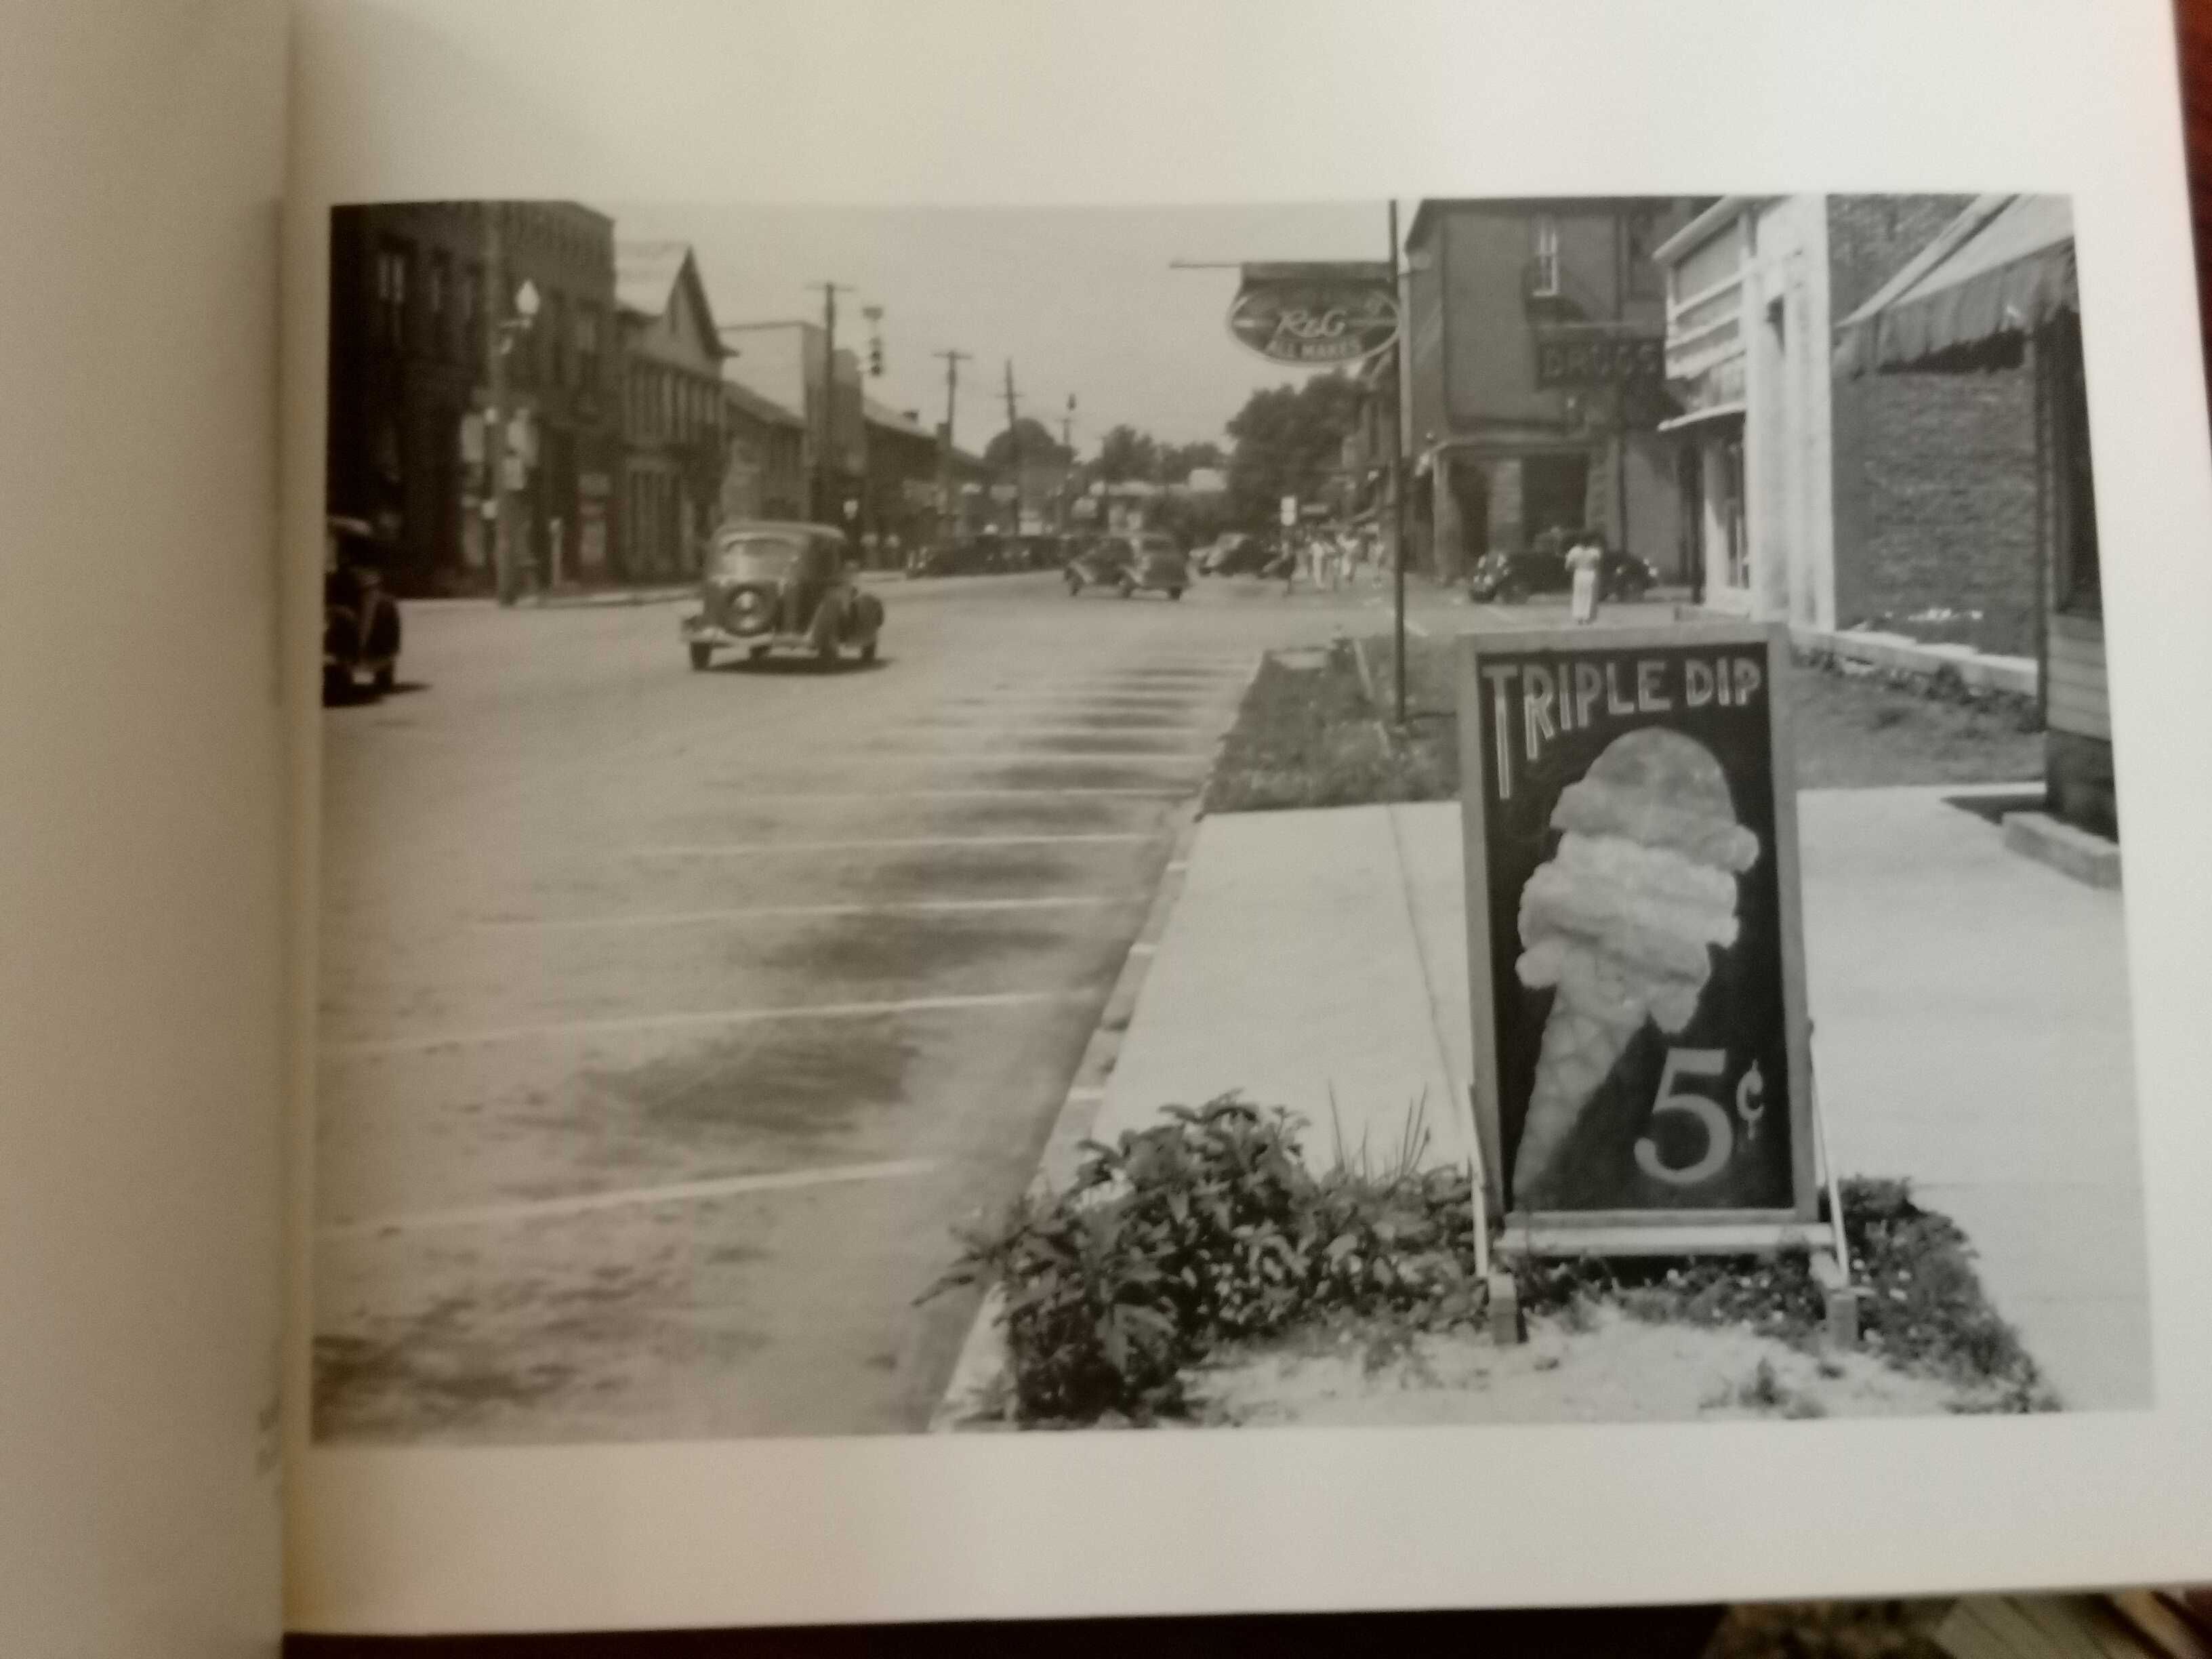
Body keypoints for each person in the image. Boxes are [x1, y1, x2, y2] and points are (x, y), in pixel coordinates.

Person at [1566, 530, 1605, 626]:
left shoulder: (1574, 551)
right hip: (1590, 573)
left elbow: (1568, 566)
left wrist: (1575, 568)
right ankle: (1587, 617)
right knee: (1589, 596)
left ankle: (1578, 617)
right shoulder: (1595, 551)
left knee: (1578, 595)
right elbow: (1597, 565)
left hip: (1579, 573)